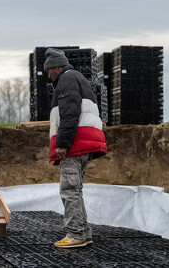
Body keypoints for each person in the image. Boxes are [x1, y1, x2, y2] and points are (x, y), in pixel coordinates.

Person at [45, 48, 107, 248]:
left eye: (49, 70)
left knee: (69, 189)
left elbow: (69, 114)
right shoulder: (77, 78)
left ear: (57, 67)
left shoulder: (66, 80)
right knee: (76, 189)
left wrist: (62, 144)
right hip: (84, 143)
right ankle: (83, 232)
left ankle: (75, 234)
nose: (48, 75)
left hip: (75, 144)